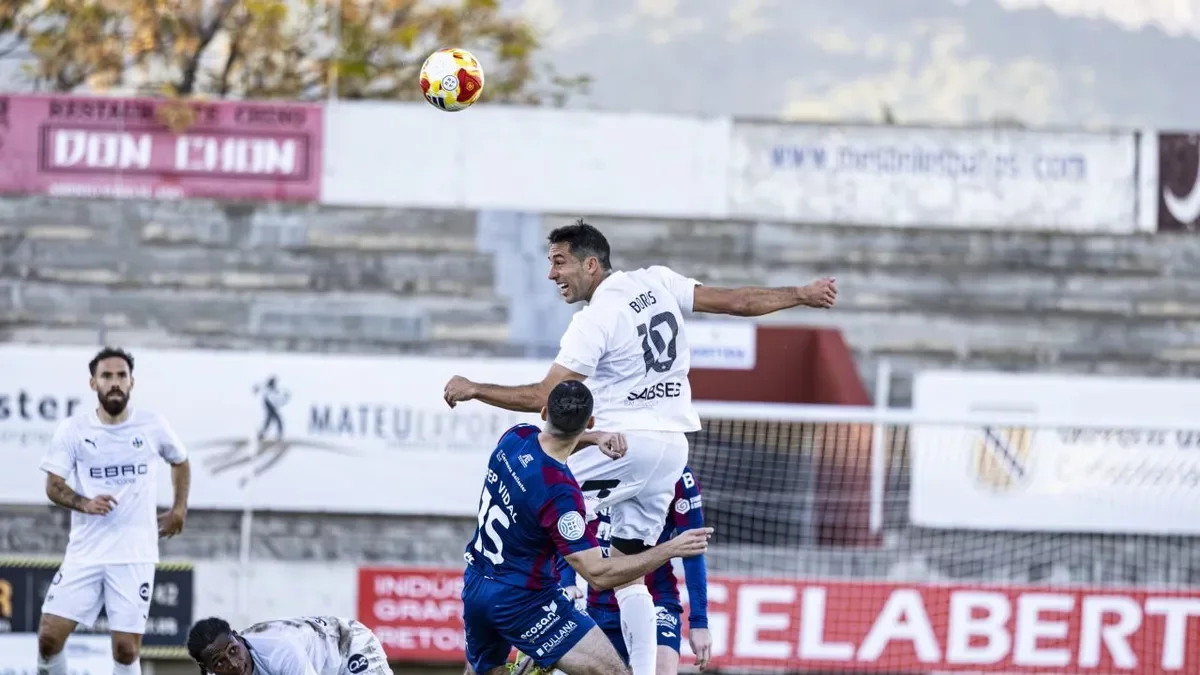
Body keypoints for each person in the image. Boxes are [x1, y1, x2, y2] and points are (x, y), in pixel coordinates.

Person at [444, 219, 836, 675]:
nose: (551, 274)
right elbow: (738, 301)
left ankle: (531, 635)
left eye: (559, 263)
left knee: (533, 500)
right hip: (671, 450)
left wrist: (476, 388)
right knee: (627, 568)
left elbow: (543, 397)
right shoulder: (657, 281)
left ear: (591, 264)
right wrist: (801, 294)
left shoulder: (594, 320)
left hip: (621, 444)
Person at [460, 380, 712, 675]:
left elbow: (550, 441)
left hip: (476, 583)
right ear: (590, 421)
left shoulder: (515, 437)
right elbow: (598, 574)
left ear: (544, 412)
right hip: (524, 599)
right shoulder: (561, 493)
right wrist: (670, 549)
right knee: (615, 673)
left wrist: (593, 439)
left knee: (484, 671)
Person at [37, 347, 192, 675]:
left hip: (134, 554)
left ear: (132, 382)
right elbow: (53, 485)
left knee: (125, 650)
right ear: (93, 383)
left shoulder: (151, 425)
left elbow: (180, 461)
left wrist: (179, 509)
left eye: (122, 375)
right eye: (106, 376)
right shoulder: (73, 429)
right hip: (85, 553)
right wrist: (84, 503)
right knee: (49, 638)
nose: (115, 382)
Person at [564, 465, 711, 674]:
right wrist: (566, 582)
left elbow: (693, 550)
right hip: (595, 604)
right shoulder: (592, 464)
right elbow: (564, 530)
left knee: (661, 670)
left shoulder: (677, 472)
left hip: (656, 599)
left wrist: (699, 622)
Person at [187, 615, 392, 675]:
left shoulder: (279, 648)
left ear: (237, 637)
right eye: (220, 663)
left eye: (233, 651)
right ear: (208, 668)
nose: (234, 664)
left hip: (350, 645)